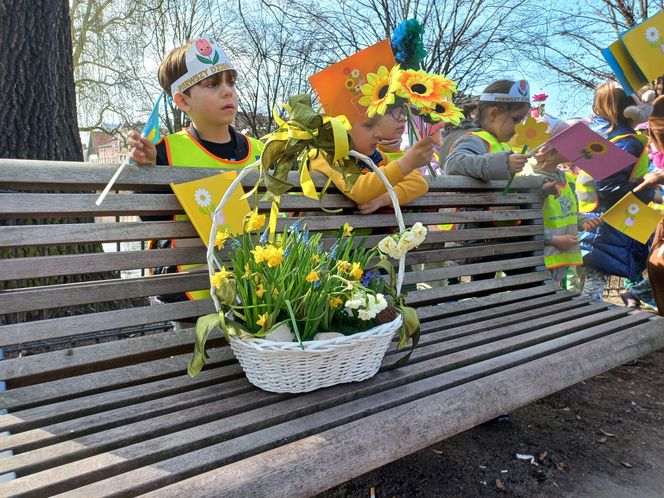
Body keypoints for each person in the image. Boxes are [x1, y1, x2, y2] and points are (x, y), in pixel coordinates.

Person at [128, 37, 263, 304]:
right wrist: (151, 171)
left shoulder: (260, 150)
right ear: (182, 100)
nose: (228, 92)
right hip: (188, 292)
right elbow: (153, 221)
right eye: (212, 84)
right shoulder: (165, 150)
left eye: (230, 82)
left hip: (256, 292)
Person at [307, 40, 431, 214]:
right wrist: (406, 163)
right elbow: (358, 189)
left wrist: (384, 198)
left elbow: (419, 183)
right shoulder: (325, 156)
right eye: (370, 126)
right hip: (325, 238)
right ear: (342, 128)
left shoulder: (375, 157)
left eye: (378, 124)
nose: (379, 133)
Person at [578, 82, 657, 302]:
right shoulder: (626, 142)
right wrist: (651, 192)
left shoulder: (601, 136)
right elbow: (608, 185)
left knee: (593, 281)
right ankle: (587, 324)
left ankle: (585, 322)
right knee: (594, 285)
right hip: (607, 221)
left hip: (595, 216)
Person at [520, 115, 600, 290]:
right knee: (535, 305)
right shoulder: (532, 180)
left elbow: (565, 210)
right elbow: (523, 224)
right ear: (550, 149)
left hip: (558, 259)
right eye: (568, 142)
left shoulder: (563, 176)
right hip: (537, 262)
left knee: (551, 300)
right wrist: (552, 240)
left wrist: (581, 220)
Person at [444, 79, 530, 180]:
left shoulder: (504, 146)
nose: (519, 127)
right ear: (493, 114)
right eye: (516, 119)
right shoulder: (475, 139)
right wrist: (504, 163)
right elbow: (453, 164)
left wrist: (540, 186)